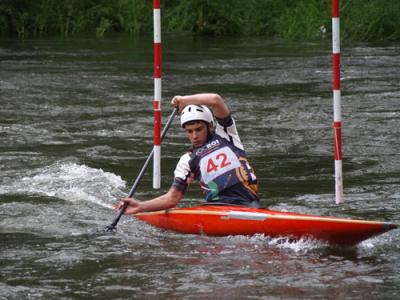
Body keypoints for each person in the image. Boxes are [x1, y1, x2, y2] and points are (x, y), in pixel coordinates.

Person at [116, 93, 259, 215]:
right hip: (216, 210)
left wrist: (185, 100)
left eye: (198, 129)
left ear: (209, 126)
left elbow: (215, 100)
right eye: (189, 131)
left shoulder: (227, 135)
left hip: (249, 205)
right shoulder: (187, 160)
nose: (194, 135)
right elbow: (172, 198)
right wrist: (140, 206)